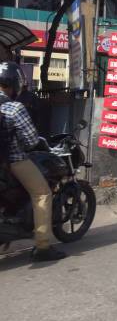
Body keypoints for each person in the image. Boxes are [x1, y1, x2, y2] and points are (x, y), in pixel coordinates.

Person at [0, 61, 66, 261]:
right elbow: (30, 141)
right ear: (15, 83)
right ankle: (43, 247)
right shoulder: (13, 107)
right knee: (42, 193)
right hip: (13, 161)